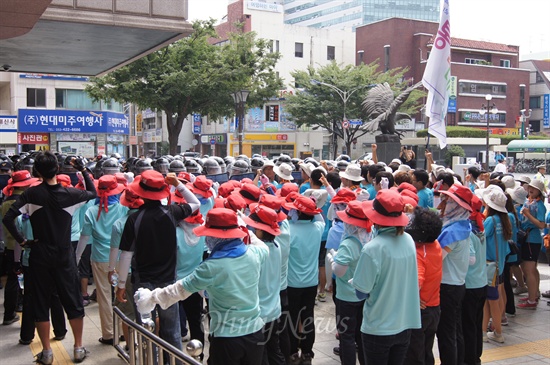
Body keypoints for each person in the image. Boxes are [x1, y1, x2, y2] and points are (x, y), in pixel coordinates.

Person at [134, 208, 269, 365]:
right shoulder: (254, 254)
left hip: (227, 338)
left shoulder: (211, 267)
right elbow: (262, 246)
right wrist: (245, 229)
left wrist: (151, 297)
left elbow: (179, 290)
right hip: (255, 334)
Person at [2, 152, 97, 364]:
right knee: (73, 301)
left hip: (39, 254)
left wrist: (23, 241)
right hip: (64, 255)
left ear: (37, 172)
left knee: (40, 302)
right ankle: (79, 348)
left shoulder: (31, 194)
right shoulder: (70, 194)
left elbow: (8, 218)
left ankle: (46, 352)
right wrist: (82, 170)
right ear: (58, 170)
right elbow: (92, 192)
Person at [115, 170, 199, 363]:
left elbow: (126, 255)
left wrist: (121, 284)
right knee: (172, 330)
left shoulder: (134, 219)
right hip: (169, 282)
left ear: (141, 193)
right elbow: (194, 204)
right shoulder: (172, 212)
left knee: (147, 331)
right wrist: (178, 184)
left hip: (142, 283)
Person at [354, 189, 420, 365]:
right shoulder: (408, 240)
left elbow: (361, 292)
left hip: (378, 326)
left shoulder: (372, 248)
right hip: (404, 323)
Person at [76, 175, 126, 346]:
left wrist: (76, 257)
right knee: (121, 294)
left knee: (104, 296)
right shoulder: (123, 209)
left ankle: (108, 334)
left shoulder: (91, 211)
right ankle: (122, 331)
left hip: (99, 258)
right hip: (121, 259)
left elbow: (84, 238)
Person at [329, 201, 373, 365]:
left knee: (346, 336)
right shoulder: (369, 236)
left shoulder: (349, 243)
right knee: (361, 335)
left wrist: (333, 260)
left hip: (347, 296)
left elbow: (339, 271)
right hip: (364, 293)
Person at [242, 204, 286, 365]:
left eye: (254, 228)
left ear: (260, 231)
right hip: (274, 310)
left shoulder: (254, 253)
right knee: (275, 351)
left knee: (262, 355)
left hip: (259, 314)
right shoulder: (277, 246)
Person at [283, 195, 325, 365]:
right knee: (308, 317)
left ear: (297, 213)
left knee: (292, 318)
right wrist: (311, 205)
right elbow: (319, 217)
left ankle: (293, 351)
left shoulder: (289, 230)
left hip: (292, 283)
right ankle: (307, 352)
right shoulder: (318, 228)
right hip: (311, 283)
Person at [436, 184, 474, 365]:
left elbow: (437, 259)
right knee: (455, 329)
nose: (445, 203)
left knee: (446, 333)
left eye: (450, 200)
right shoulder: (464, 225)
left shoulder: (452, 231)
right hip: (458, 283)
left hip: (447, 286)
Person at [404, 207, 443, 365]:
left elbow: (417, 282)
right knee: (426, 352)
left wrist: (411, 298)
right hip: (434, 307)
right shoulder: (436, 244)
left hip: (420, 311)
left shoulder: (420, 253)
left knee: (414, 355)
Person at [1, 171, 39, 326]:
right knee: (27, 282)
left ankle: (9, 312)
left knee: (12, 280)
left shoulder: (4, 204)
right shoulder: (25, 203)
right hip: (25, 246)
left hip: (9, 246)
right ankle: (23, 308)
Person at [480, 188, 511, 343]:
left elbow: (480, 237)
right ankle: (484, 331)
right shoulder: (505, 220)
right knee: (492, 300)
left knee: (492, 302)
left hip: (489, 266)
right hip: (499, 266)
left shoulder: (490, 221)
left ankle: (498, 333)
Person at [518, 179, 546, 309]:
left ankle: (531, 300)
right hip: (528, 238)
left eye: (534, 189)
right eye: (530, 188)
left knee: (529, 270)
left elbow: (541, 224)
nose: (531, 190)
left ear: (539, 191)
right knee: (531, 269)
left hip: (532, 239)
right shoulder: (529, 201)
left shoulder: (540, 206)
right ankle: (533, 294)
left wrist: (528, 214)